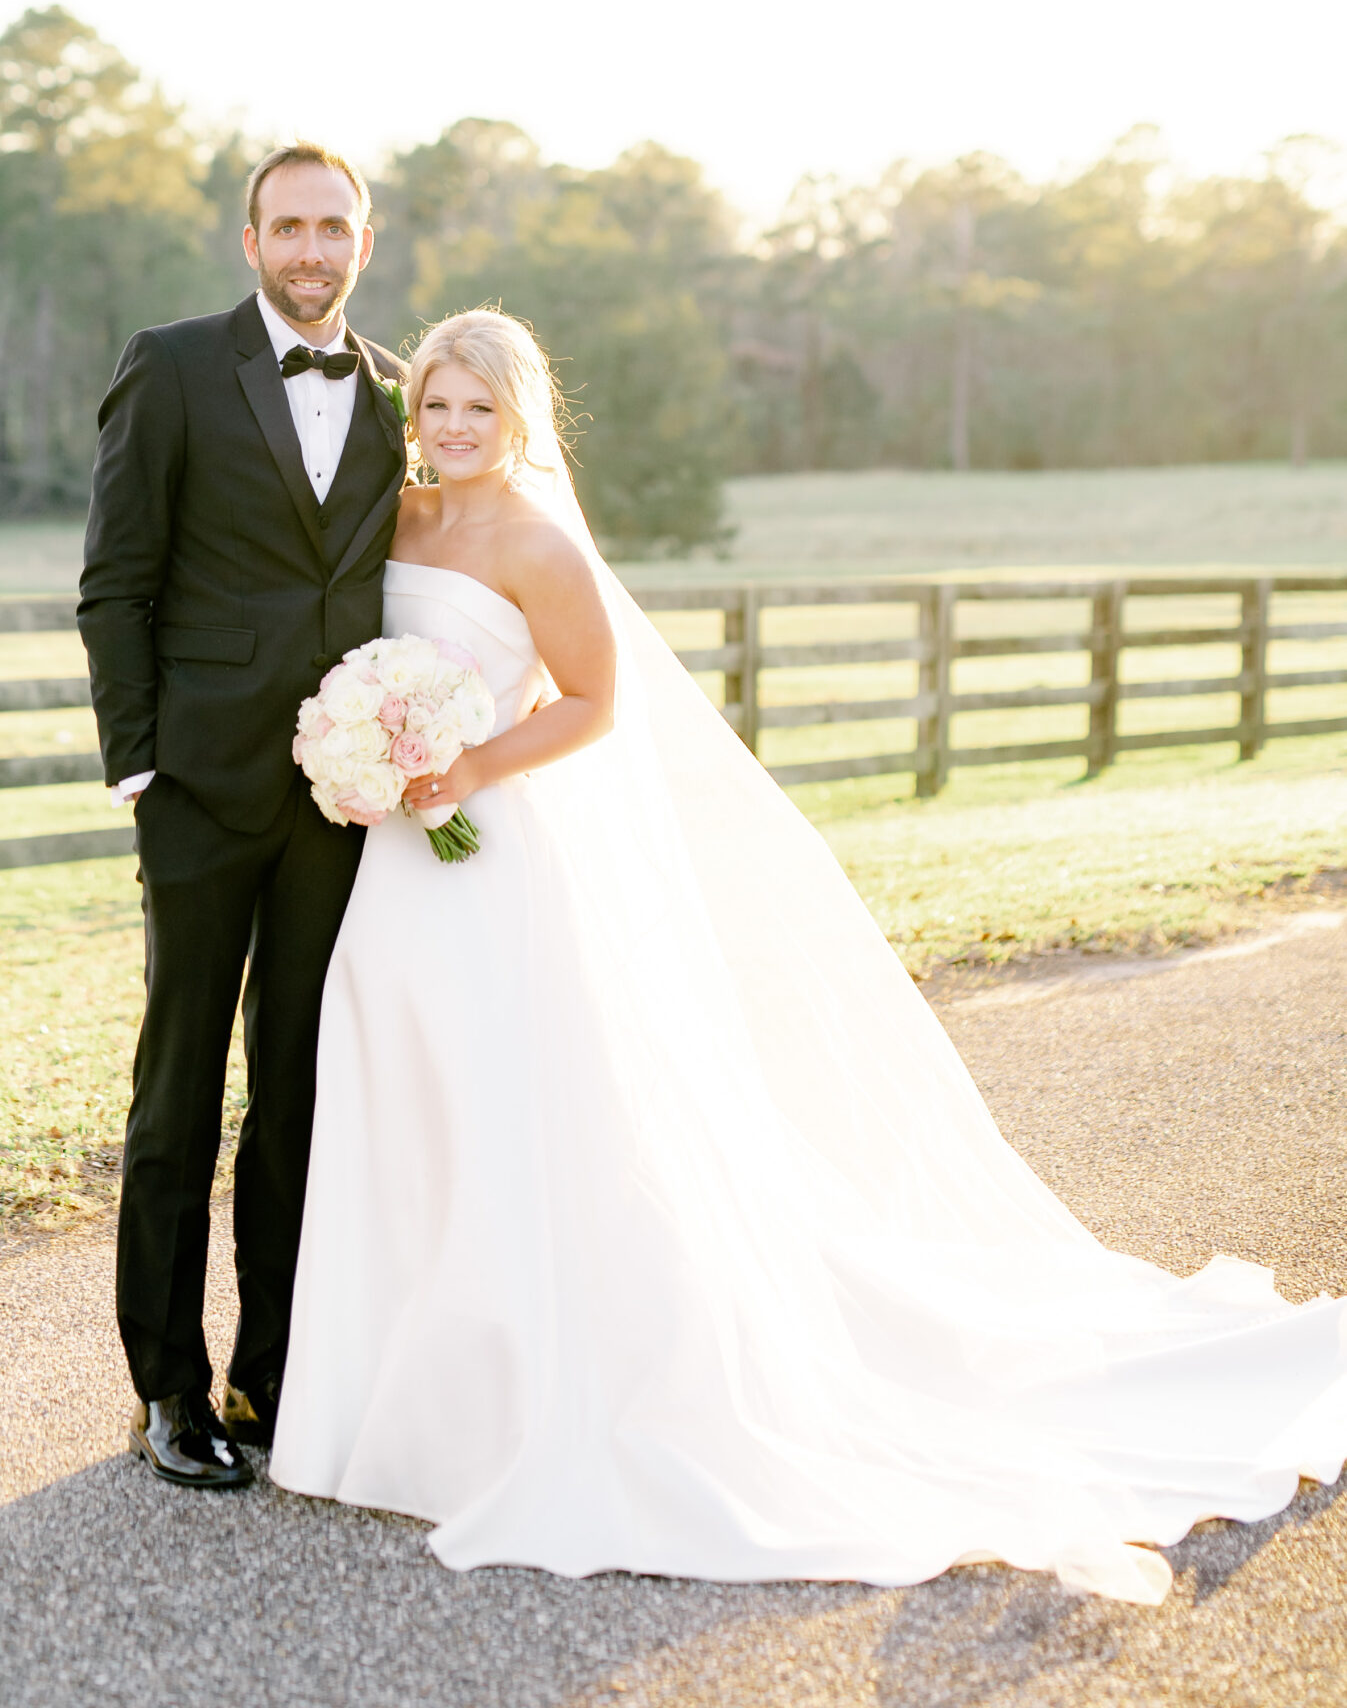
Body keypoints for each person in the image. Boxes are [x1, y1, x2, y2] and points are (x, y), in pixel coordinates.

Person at [271, 307, 1347, 1604]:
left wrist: (464, 764)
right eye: (435, 407)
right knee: (402, 1080)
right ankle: (392, 1399)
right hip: (399, 863)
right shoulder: (398, 519)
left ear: (517, 418)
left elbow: (595, 705)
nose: (451, 430)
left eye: (475, 411)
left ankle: (523, 1398)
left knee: (520, 1106)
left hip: (491, 852)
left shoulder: (538, 542)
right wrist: (366, 754)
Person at [79, 144, 406, 1490]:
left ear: (364, 241)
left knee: (300, 1097)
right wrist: (141, 765)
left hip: (341, 807)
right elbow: (116, 582)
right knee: (179, 1093)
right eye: (290, 227)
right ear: (251, 237)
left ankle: (273, 1370)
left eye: (334, 228)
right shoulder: (173, 366)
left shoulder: (400, 395)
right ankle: (166, 1384)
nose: (312, 250)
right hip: (202, 793)